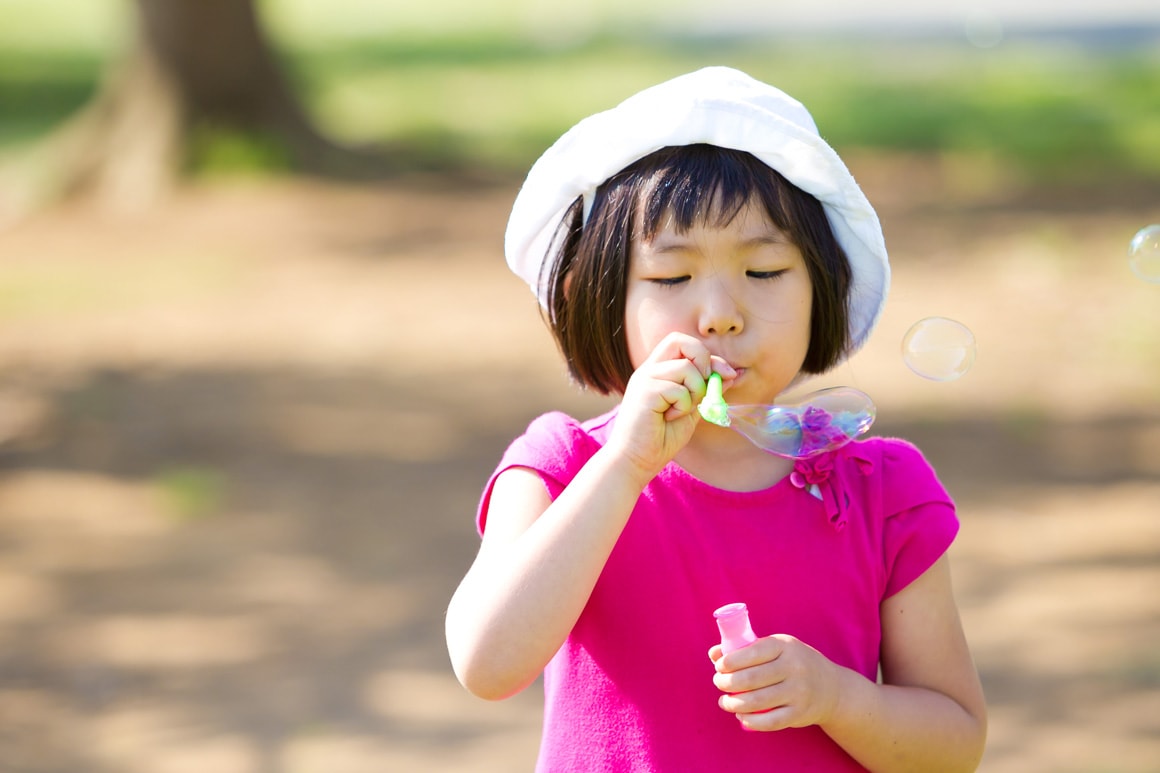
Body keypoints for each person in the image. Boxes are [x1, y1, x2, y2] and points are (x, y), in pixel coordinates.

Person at [445, 66, 987, 772]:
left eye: (764, 272)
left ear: (822, 288)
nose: (722, 313)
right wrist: (626, 466)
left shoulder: (881, 487)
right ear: (605, 298)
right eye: (672, 278)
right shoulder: (562, 465)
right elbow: (486, 663)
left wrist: (837, 696)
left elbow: (954, 744)